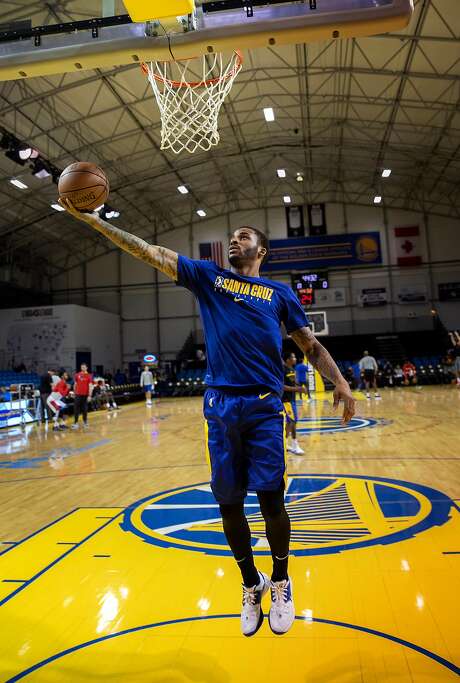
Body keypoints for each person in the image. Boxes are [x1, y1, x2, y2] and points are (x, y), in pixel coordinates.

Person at [60, 198, 355, 638]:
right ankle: (249, 584)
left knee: (271, 498)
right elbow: (149, 251)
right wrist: (95, 221)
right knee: (228, 502)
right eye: (232, 236)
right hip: (220, 406)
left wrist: (340, 381)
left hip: (263, 405)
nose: (234, 240)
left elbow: (310, 346)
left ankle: (281, 579)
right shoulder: (209, 278)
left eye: (244, 236)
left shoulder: (279, 295)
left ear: (262, 250)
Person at [283, 352, 304, 455]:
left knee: (290, 422)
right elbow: (282, 386)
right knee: (292, 422)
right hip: (286, 400)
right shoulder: (282, 369)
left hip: (292, 400)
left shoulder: (293, 370)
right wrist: (297, 388)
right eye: (293, 357)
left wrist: (299, 386)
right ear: (287, 360)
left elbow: (293, 382)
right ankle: (295, 446)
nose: (295, 359)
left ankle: (285, 444)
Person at [72, 363, 93, 429]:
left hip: (85, 395)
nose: (83, 368)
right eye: (82, 367)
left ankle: (85, 422)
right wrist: (74, 392)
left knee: (85, 409)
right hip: (78, 395)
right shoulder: (77, 375)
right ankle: (76, 423)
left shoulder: (89, 376)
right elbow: (75, 384)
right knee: (76, 409)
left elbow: (90, 386)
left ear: (87, 368)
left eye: (84, 367)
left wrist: (89, 395)